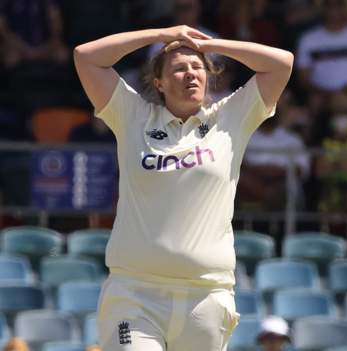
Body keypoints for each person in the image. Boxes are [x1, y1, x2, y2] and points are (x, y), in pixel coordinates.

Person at [73, 24, 293, 350]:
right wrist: (160, 35)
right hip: (135, 293)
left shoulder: (231, 117)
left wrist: (212, 43)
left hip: (205, 296)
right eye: (178, 68)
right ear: (159, 83)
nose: (190, 73)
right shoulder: (133, 116)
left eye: (197, 67)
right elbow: (86, 57)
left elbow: (282, 63)